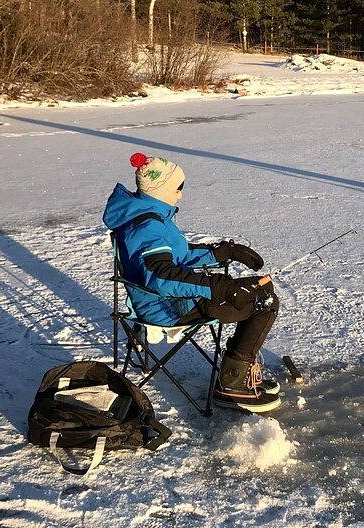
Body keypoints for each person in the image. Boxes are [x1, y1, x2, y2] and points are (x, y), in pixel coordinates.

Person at [103, 152, 281, 413]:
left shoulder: (150, 216)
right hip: (167, 307)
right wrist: (219, 287)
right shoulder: (147, 227)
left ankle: (235, 371)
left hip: (173, 298)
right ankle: (233, 382)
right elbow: (162, 276)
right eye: (178, 188)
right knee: (263, 301)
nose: (180, 195)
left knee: (261, 287)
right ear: (162, 190)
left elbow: (179, 256)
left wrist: (223, 252)